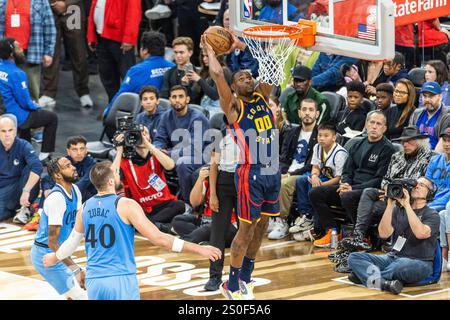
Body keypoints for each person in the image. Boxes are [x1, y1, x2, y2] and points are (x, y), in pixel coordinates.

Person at [42, 161, 222, 300]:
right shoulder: (126, 205)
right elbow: (160, 239)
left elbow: (72, 243)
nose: (120, 176)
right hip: (120, 279)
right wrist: (200, 249)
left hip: (94, 280)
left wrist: (54, 257)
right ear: (111, 181)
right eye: (117, 174)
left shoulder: (85, 207)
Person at [205, 33, 281, 300]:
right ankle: (232, 284)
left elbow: (273, 68)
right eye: (242, 78)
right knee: (246, 228)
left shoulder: (262, 96)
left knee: (262, 227)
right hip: (251, 173)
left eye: (250, 76)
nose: (248, 79)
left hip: (272, 171)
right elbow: (217, 75)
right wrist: (210, 50)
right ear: (234, 86)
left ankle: (246, 277)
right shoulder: (233, 106)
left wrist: (263, 43)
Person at [338, 127, 434, 261]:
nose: (405, 144)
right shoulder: (396, 156)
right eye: (403, 142)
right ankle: (358, 235)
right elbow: (385, 179)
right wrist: (389, 190)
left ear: (420, 141)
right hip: (390, 195)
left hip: (408, 199)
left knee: (372, 208)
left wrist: (396, 192)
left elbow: (420, 185)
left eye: (409, 141)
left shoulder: (428, 159)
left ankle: (369, 236)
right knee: (366, 192)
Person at [309, 110, 396, 247]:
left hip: (368, 191)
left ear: (384, 128)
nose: (374, 126)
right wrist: (345, 183)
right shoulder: (357, 144)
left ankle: (361, 234)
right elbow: (347, 170)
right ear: (366, 125)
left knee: (347, 196)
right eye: (371, 122)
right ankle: (332, 231)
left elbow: (380, 179)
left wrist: (351, 188)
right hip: (349, 188)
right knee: (316, 193)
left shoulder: (388, 149)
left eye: (378, 124)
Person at [347, 176, 439, 295]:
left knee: (401, 266)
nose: (416, 185)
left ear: (429, 193)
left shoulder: (432, 214)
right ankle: (383, 283)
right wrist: (390, 205)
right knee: (354, 257)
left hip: (419, 262)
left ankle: (366, 277)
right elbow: (383, 234)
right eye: (416, 183)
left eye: (422, 185)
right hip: (393, 257)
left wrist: (407, 206)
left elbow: (421, 233)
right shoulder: (397, 209)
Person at [31, 157, 87, 300]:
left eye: (71, 164)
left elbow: (79, 222)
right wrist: (75, 268)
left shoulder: (75, 189)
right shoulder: (57, 199)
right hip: (46, 254)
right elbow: (52, 242)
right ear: (57, 175)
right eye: (67, 166)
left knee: (72, 294)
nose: (73, 167)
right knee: (79, 296)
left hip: (61, 251)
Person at [112, 126, 185, 233]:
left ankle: (146, 225)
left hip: (164, 204)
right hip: (142, 208)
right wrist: (119, 151)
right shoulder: (126, 161)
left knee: (180, 205)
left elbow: (170, 166)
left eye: (145, 133)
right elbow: (112, 180)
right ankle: (158, 226)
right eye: (138, 134)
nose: (142, 136)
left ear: (150, 137)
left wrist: (148, 145)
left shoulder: (156, 154)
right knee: (132, 213)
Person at [0, 38, 58, 161]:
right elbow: (25, 103)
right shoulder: (17, 73)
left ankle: (25, 153)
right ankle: (45, 153)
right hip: (16, 116)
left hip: (3, 112)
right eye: (19, 48)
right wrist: (36, 105)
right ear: (12, 54)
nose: (22, 50)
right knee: (51, 117)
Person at [290, 122, 348, 241]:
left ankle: (317, 225)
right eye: (320, 135)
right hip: (321, 177)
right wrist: (315, 176)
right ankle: (306, 215)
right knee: (301, 180)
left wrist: (321, 184)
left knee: (315, 189)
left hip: (333, 182)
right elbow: (315, 166)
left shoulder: (340, 153)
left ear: (334, 137)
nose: (321, 138)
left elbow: (338, 178)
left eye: (326, 136)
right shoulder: (317, 147)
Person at [153, 85, 210, 204]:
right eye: (174, 97)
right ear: (169, 99)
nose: (177, 100)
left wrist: (168, 153)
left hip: (202, 155)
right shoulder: (166, 116)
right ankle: (157, 198)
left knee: (182, 163)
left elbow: (196, 149)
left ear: (187, 99)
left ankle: (188, 203)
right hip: (177, 153)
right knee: (151, 156)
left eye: (180, 96)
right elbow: (159, 138)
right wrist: (158, 150)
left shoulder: (197, 118)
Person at [272, 99, 319, 240]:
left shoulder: (320, 134)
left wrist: (289, 174)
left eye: (311, 110)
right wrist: (280, 172)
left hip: (305, 174)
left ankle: (282, 222)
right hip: (288, 171)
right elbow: (283, 157)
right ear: (299, 113)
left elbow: (312, 164)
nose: (307, 113)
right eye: (304, 109)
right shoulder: (292, 132)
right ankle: (269, 218)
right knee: (266, 176)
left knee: (284, 184)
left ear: (317, 114)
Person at [102, 31, 175, 118]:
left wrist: (107, 112)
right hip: (170, 118)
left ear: (144, 51)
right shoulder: (173, 67)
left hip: (145, 119)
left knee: (122, 115)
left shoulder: (136, 71)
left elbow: (121, 96)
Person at [39, 0, 93, 110]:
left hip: (73, 7)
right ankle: (48, 92)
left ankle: (83, 91)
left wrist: (66, 4)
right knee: (51, 51)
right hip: (50, 7)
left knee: (78, 52)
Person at [204, 128, 241, 291]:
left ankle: (243, 274)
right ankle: (214, 276)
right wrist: (212, 193)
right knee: (217, 232)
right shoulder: (221, 135)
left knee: (245, 232)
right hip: (223, 182)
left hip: (243, 182)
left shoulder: (251, 133)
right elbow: (214, 165)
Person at [0, 0, 56, 102]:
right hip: (6, 55)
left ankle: (31, 116)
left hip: (31, 53)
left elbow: (49, 26)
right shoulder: (3, 2)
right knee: (5, 94)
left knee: (31, 95)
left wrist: (48, 52)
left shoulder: (40, 2)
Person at [87, 0, 141, 102]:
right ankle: (113, 106)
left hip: (120, 40)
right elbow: (94, 9)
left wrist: (129, 38)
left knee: (127, 76)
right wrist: (91, 36)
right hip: (101, 37)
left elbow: (134, 13)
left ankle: (131, 108)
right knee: (107, 75)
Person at [171, 166, 237, 245]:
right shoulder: (208, 182)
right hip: (205, 222)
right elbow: (194, 202)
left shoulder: (231, 185)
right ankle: (204, 239)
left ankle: (184, 241)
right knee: (178, 220)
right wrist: (200, 179)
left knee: (207, 229)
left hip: (226, 225)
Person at [0, 114, 42, 222]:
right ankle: (14, 210)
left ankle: (24, 208)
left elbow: (37, 167)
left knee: (32, 167)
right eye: (3, 131)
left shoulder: (23, 145)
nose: (7, 134)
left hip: (20, 187)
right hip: (4, 189)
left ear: (15, 131)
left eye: (10, 130)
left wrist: (26, 190)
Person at [41, 135, 96, 201]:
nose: (79, 153)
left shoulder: (91, 163)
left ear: (86, 150)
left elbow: (83, 183)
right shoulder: (64, 161)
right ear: (68, 151)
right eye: (74, 150)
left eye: (82, 149)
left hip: (85, 196)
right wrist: (47, 189)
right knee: (48, 188)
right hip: (67, 193)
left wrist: (60, 194)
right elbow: (47, 178)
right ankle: (41, 210)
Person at [187, 50, 232, 117]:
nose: (204, 59)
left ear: (217, 56)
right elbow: (193, 95)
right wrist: (186, 84)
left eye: (207, 56)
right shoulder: (204, 71)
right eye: (203, 56)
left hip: (217, 111)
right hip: (204, 108)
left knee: (200, 121)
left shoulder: (224, 71)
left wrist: (199, 80)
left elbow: (215, 96)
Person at [409, 81, 450, 149]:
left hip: (434, 156)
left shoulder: (447, 116)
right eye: (424, 96)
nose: (427, 99)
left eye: (431, 96)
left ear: (440, 96)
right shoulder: (416, 113)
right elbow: (409, 137)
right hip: (415, 154)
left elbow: (443, 146)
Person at [160, 37, 200, 104]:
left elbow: (195, 98)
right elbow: (164, 96)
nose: (178, 55)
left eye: (181, 52)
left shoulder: (197, 73)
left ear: (190, 53)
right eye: (176, 52)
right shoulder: (169, 73)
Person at [425, 127, 450, 211]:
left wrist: (430, 206)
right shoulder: (434, 159)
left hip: (445, 204)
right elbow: (427, 183)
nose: (447, 144)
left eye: (449, 141)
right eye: (444, 140)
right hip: (430, 201)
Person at [435, 128, 450, 270]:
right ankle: (444, 254)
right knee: (441, 214)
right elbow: (428, 181)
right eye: (444, 140)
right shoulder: (436, 159)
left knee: (448, 207)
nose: (447, 144)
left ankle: (447, 253)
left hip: (444, 201)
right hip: (435, 200)